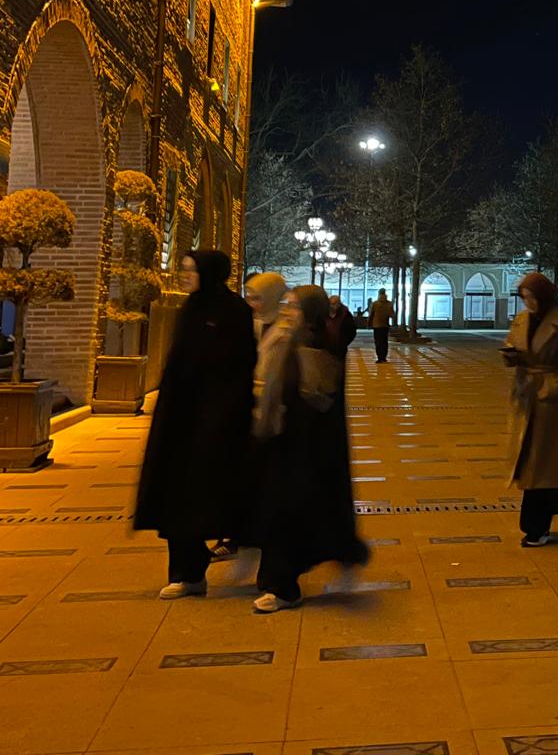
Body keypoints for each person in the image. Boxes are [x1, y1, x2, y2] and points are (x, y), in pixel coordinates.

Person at [133, 250, 256, 600]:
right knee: (175, 499)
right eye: (183, 269)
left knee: (209, 496)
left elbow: (239, 367)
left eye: (191, 270)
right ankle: (186, 574)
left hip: (216, 423)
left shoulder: (233, 311)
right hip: (180, 422)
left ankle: (248, 552)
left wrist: (221, 416)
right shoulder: (190, 309)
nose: (183, 275)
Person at [244, 285, 370, 612]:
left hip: (304, 452)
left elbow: (318, 401)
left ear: (310, 313)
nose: (288, 312)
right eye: (286, 304)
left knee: (290, 517)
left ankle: (284, 587)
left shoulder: (318, 349)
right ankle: (277, 582)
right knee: (277, 516)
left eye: (295, 307)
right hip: (280, 445)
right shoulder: (287, 341)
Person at [501, 272, 558, 547]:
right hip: (526, 395)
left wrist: (556, 386)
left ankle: (537, 526)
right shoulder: (522, 318)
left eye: (533, 298)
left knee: (544, 464)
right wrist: (511, 355)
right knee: (529, 462)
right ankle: (540, 519)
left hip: (550, 401)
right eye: (525, 298)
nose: (529, 304)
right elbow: (514, 344)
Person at [245, 271, 286, 340]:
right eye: (249, 298)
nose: (251, 304)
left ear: (271, 298)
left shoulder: (286, 330)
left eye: (256, 298)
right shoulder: (257, 322)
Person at [368, 288, 394, 363]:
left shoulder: (375, 303)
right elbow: (392, 314)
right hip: (385, 325)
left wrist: (369, 323)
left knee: (378, 342)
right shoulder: (389, 303)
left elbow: (371, 314)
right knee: (384, 342)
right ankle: (384, 357)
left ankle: (379, 358)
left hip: (376, 325)